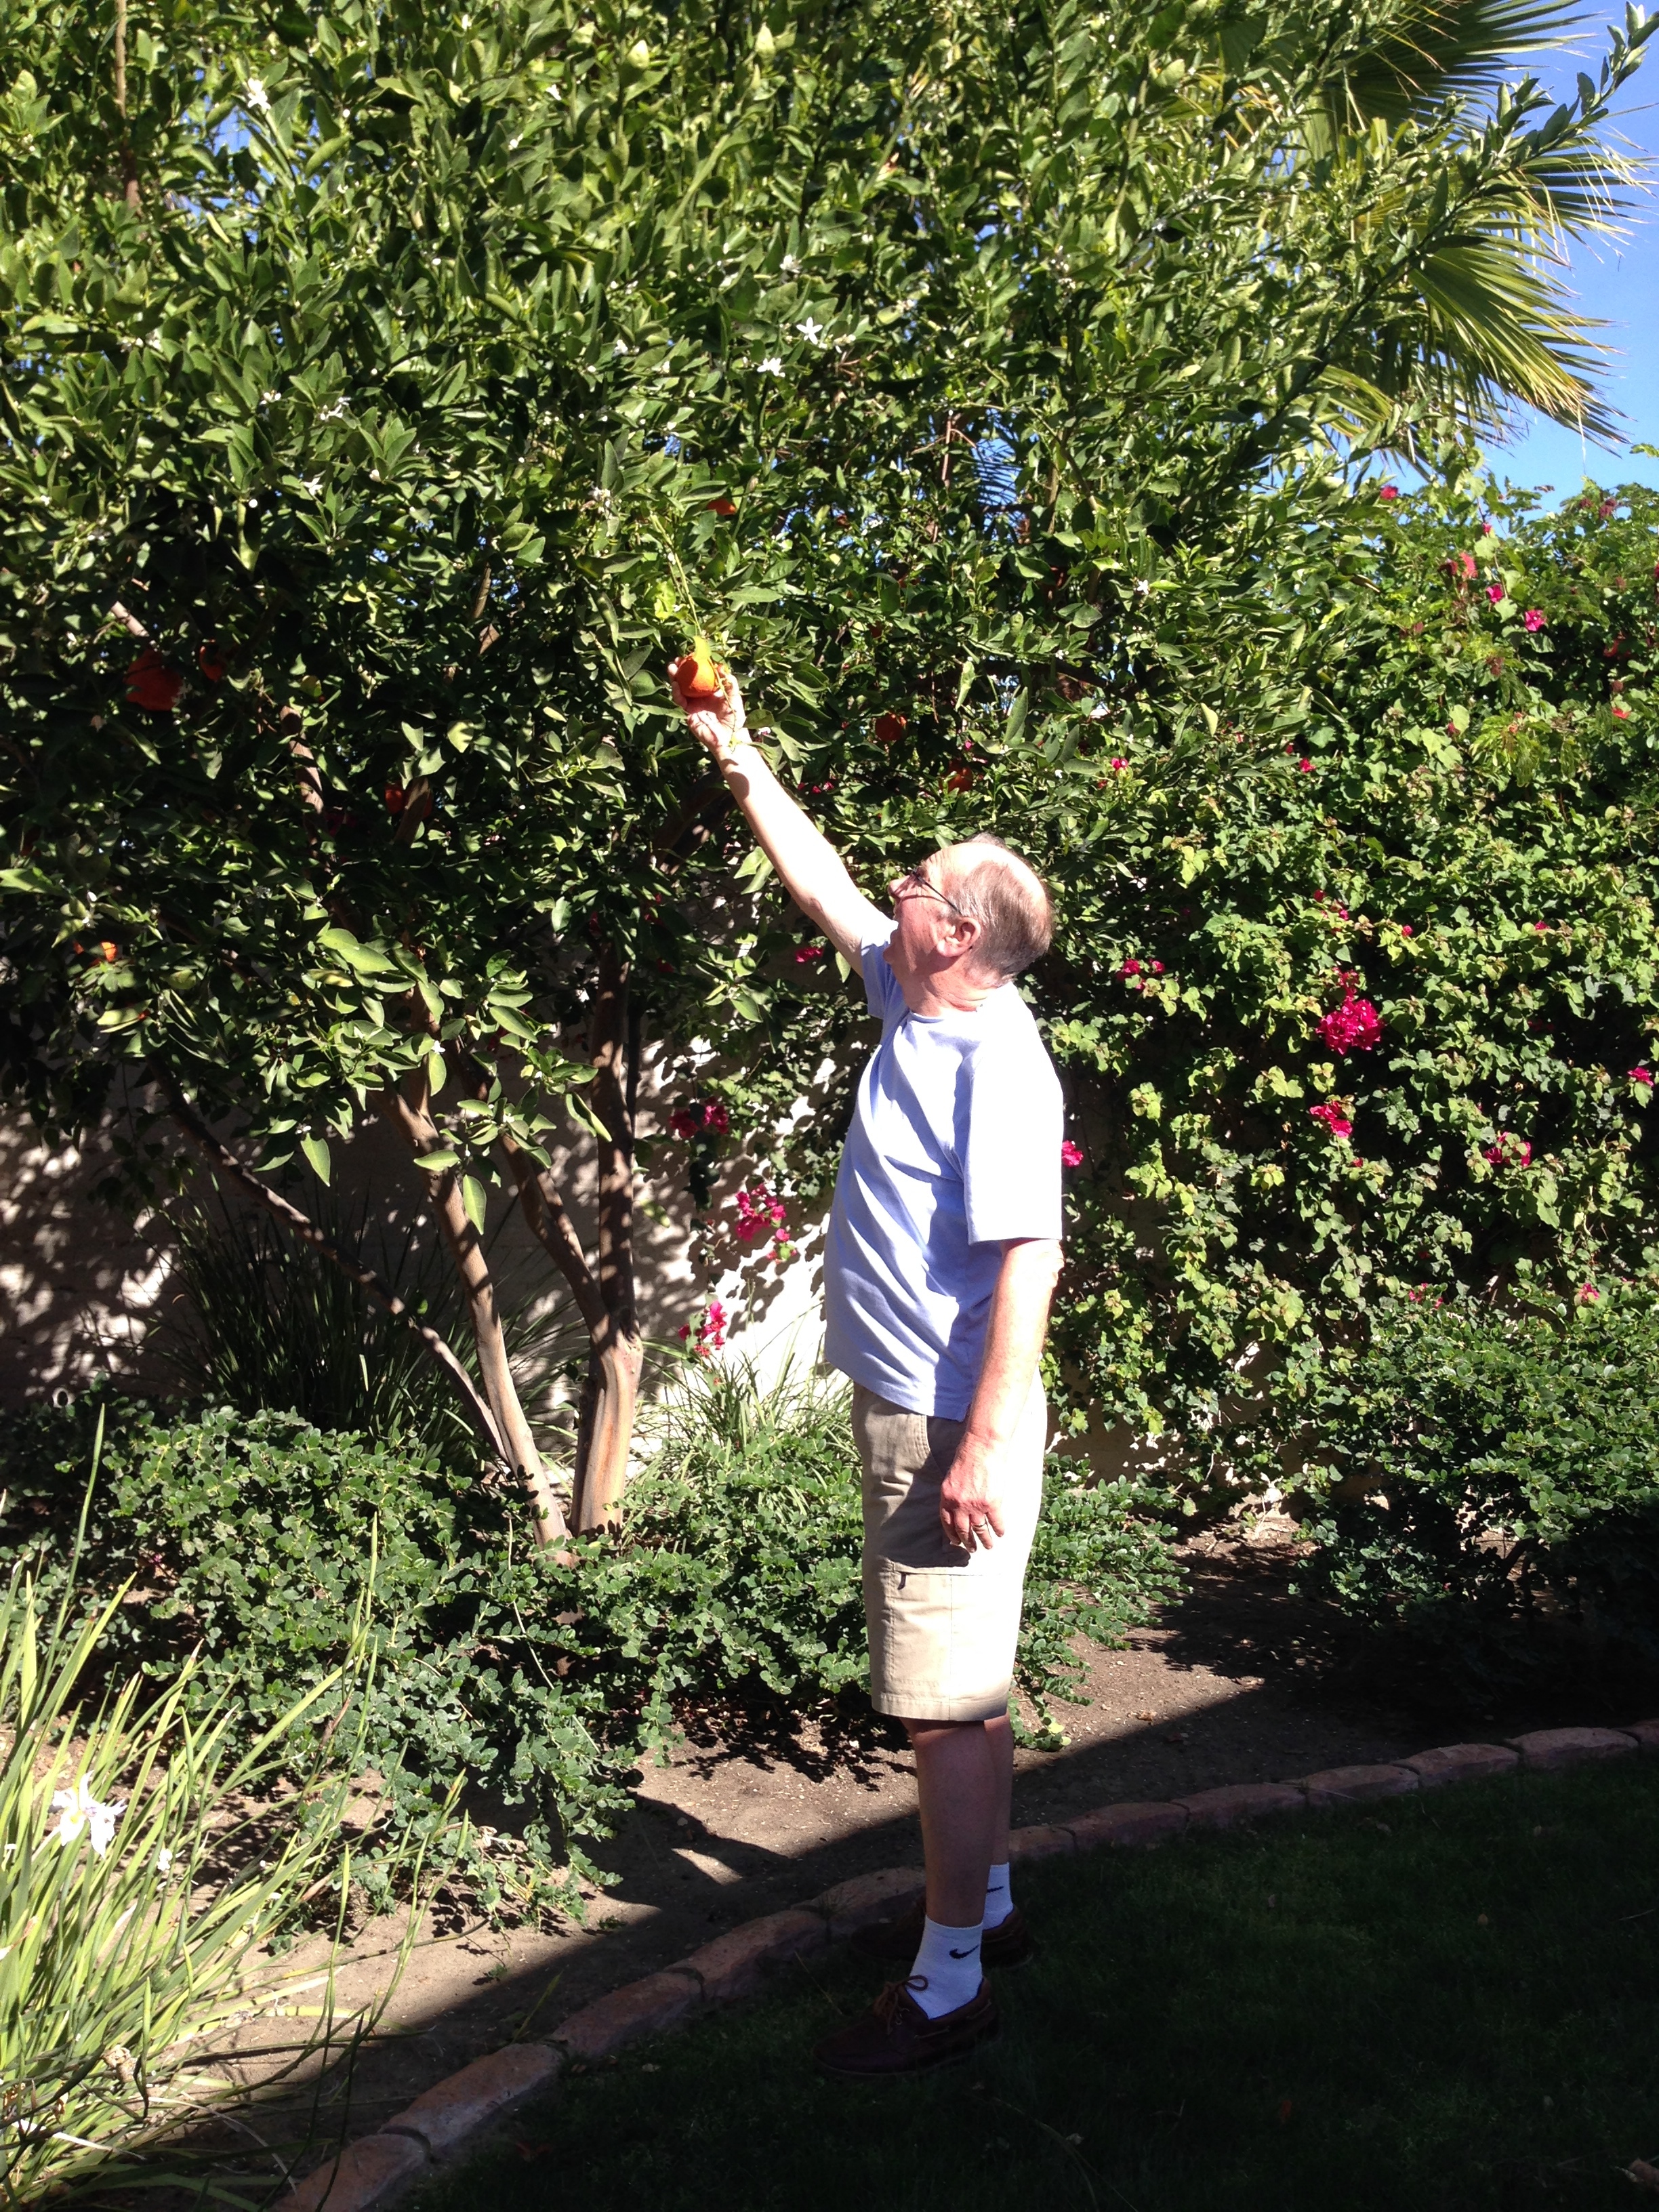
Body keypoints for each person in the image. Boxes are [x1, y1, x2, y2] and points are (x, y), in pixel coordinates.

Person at [675, 660, 1065, 2081]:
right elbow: (825, 882)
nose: (896, 887)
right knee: (966, 1690)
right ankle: (990, 1907)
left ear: (959, 931)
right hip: (921, 1406)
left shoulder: (997, 1069)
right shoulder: (915, 1000)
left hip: (951, 1420)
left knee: (941, 1709)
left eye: (921, 881)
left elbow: (1031, 1262)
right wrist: (739, 756)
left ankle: (949, 1986)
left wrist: (981, 1444)